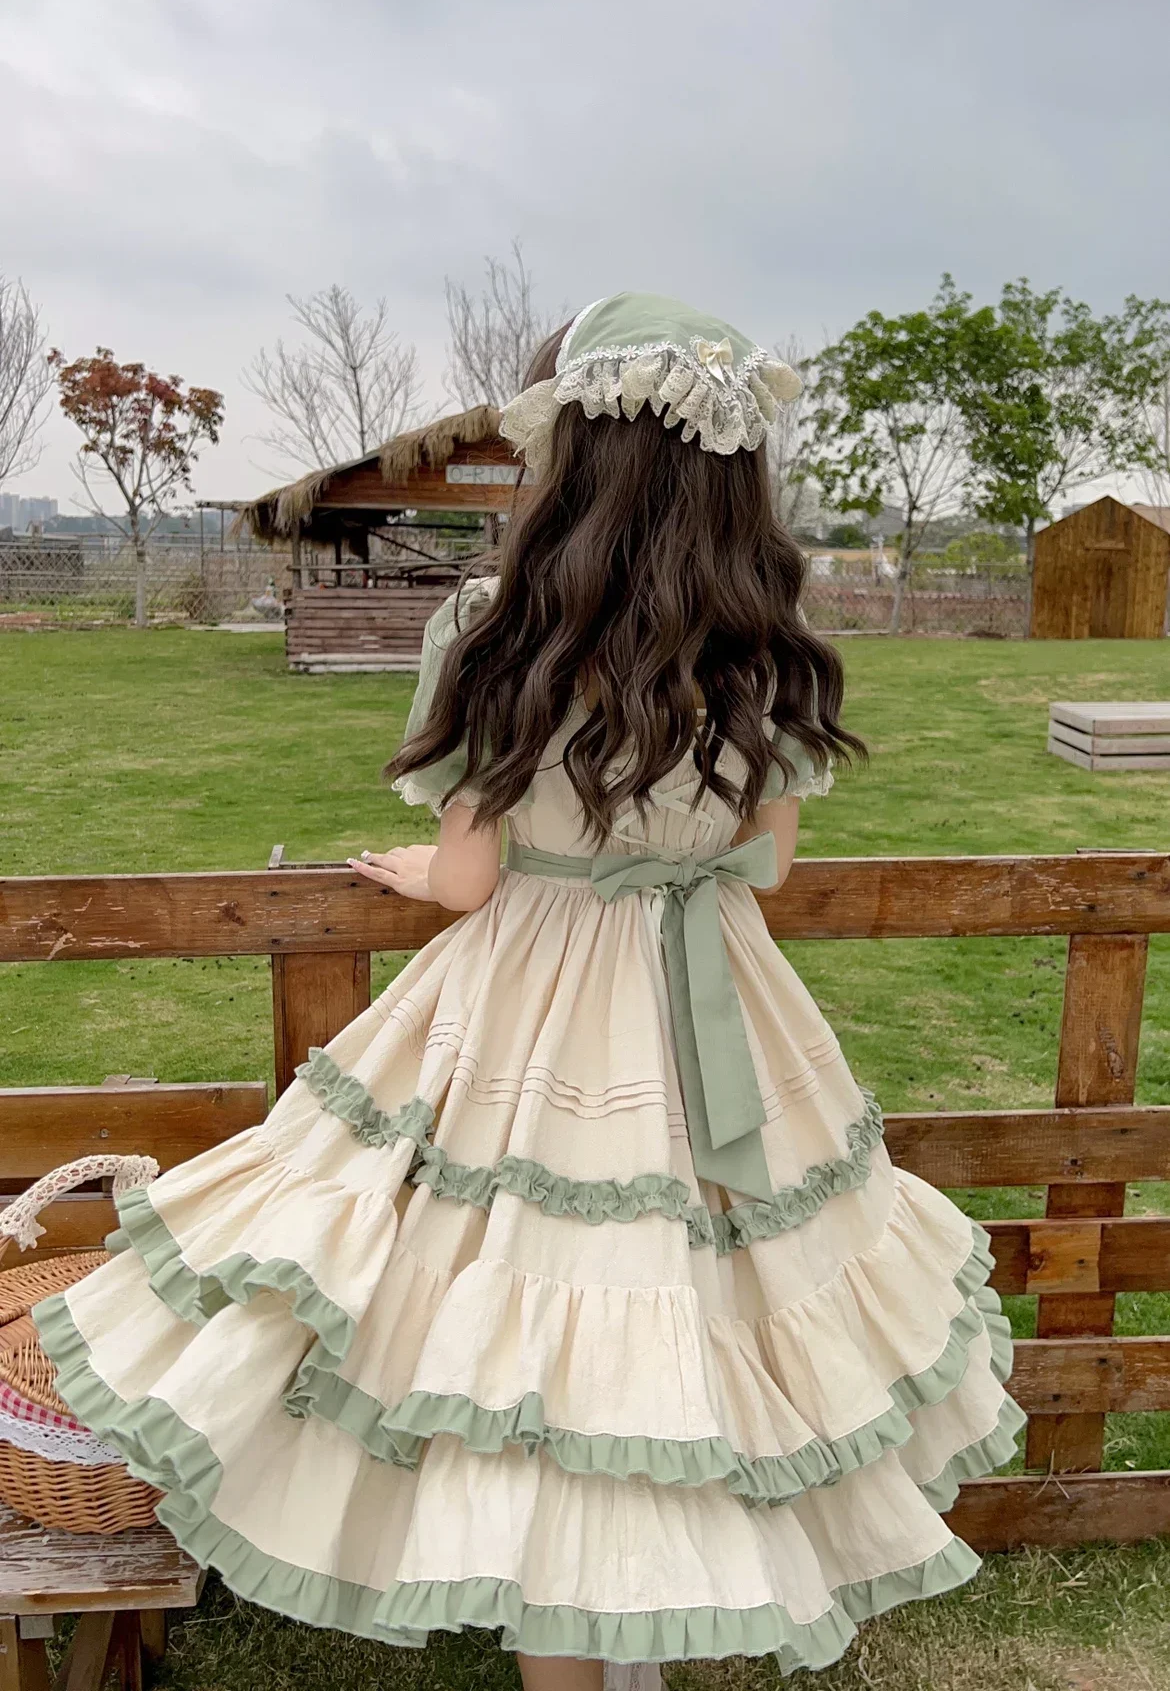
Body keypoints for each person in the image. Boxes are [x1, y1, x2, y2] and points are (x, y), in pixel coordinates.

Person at [36, 294, 1025, 1689]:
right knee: (688, 1311)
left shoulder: (492, 630)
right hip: (710, 1008)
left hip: (528, 1011)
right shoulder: (762, 639)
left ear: (568, 454)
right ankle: (648, 1638)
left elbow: (464, 885)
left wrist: (412, 860)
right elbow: (766, 865)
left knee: (533, 1334)